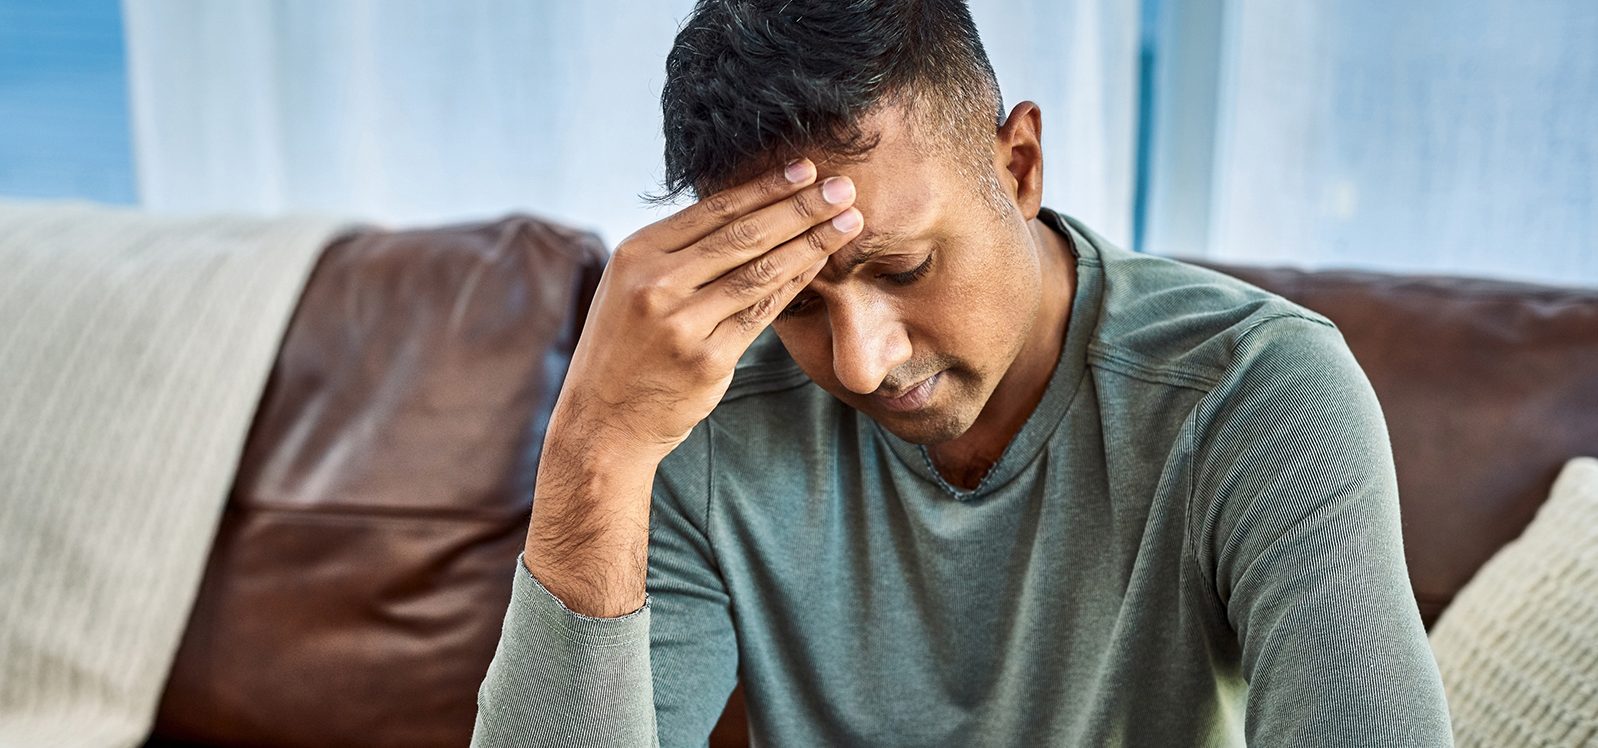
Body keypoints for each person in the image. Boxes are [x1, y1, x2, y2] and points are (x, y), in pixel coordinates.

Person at [471, 1, 1454, 745]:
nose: (862, 361)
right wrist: (594, 446)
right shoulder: (703, 410)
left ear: (1018, 163)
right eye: (791, 301)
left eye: (902, 268)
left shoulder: (1251, 390)